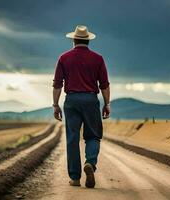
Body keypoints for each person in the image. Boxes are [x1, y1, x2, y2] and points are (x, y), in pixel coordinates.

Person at [52, 25, 110, 188]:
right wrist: (107, 104)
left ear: (73, 40)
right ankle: (90, 163)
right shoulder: (98, 59)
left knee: (72, 138)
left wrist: (56, 105)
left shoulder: (64, 58)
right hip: (91, 101)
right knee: (93, 136)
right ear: (88, 41)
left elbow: (57, 85)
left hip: (71, 101)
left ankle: (75, 177)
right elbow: (104, 85)